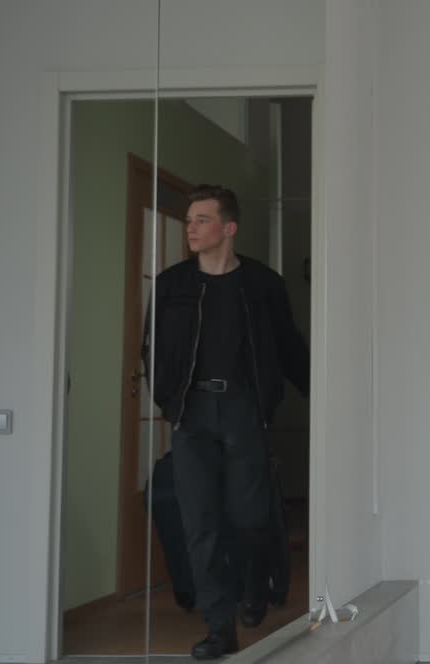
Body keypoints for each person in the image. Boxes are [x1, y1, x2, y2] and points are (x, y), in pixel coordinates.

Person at [142, 185, 309, 660]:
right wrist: (168, 400)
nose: (191, 228)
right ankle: (220, 628)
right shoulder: (172, 284)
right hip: (191, 413)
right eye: (190, 220)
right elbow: (149, 348)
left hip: (242, 410)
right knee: (201, 525)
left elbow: (289, 346)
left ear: (228, 228)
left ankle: (255, 583)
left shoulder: (262, 283)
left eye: (201, 219)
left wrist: (319, 396)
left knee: (250, 517)